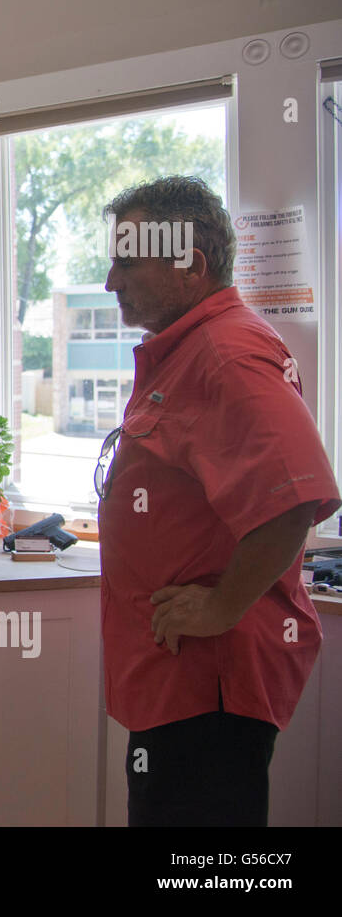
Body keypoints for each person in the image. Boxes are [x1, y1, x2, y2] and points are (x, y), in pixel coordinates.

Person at [96, 175, 339, 826]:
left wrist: (220, 607)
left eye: (127, 261)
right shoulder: (194, 348)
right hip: (177, 680)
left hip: (208, 684)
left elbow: (294, 499)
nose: (111, 281)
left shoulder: (224, 355)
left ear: (190, 266)